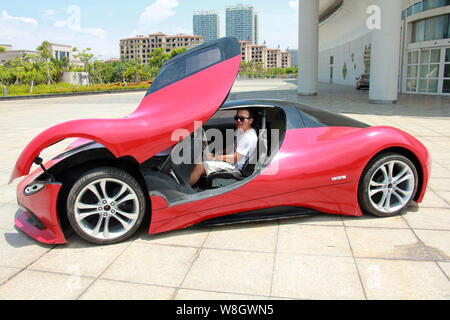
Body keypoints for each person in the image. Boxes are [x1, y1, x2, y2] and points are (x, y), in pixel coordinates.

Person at [190, 108, 258, 187]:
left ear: (250, 120)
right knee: (201, 160)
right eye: (236, 118)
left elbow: (235, 158)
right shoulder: (241, 131)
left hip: (235, 168)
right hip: (230, 163)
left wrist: (215, 157)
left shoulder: (249, 137)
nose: (238, 120)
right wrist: (215, 154)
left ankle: (183, 193)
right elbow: (231, 148)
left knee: (200, 167)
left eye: (242, 119)